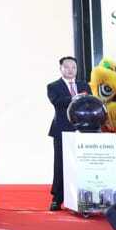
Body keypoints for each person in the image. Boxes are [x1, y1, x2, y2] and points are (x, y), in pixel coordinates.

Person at [47, 56, 91, 211]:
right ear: (61, 69)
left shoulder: (84, 85)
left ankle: (82, 197)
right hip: (61, 129)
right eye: (67, 67)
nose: (70, 70)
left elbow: (89, 103)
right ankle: (57, 198)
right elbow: (57, 102)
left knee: (82, 163)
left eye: (73, 67)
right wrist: (75, 97)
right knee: (60, 163)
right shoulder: (53, 86)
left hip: (83, 129)